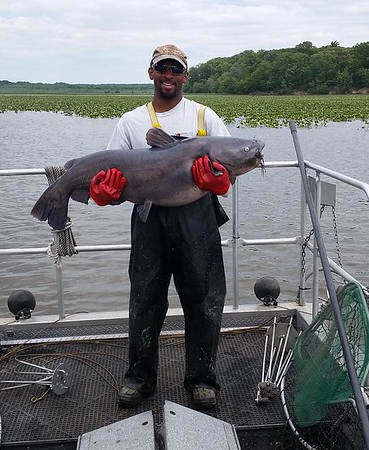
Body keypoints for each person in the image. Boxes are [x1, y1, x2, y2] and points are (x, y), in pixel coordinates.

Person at [89, 44, 231, 410]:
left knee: (204, 301)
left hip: (197, 218)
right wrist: (104, 193)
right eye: (162, 68)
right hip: (149, 219)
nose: (168, 75)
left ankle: (202, 379)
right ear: (150, 73)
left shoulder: (205, 116)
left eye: (175, 69)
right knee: (145, 301)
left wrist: (221, 182)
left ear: (185, 76)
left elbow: (232, 162)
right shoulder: (132, 122)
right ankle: (139, 378)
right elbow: (110, 175)